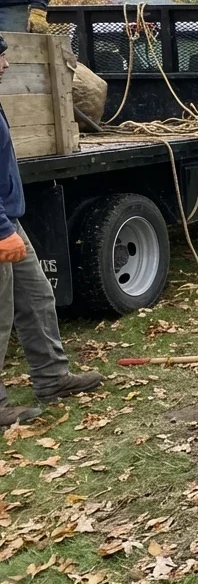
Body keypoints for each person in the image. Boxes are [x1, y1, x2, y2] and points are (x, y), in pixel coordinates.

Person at [0, 33, 103, 426]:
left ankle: (52, 378)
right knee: (0, 313)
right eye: (1, 57)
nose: (6, 64)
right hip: (0, 225)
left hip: (10, 219)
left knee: (38, 296)